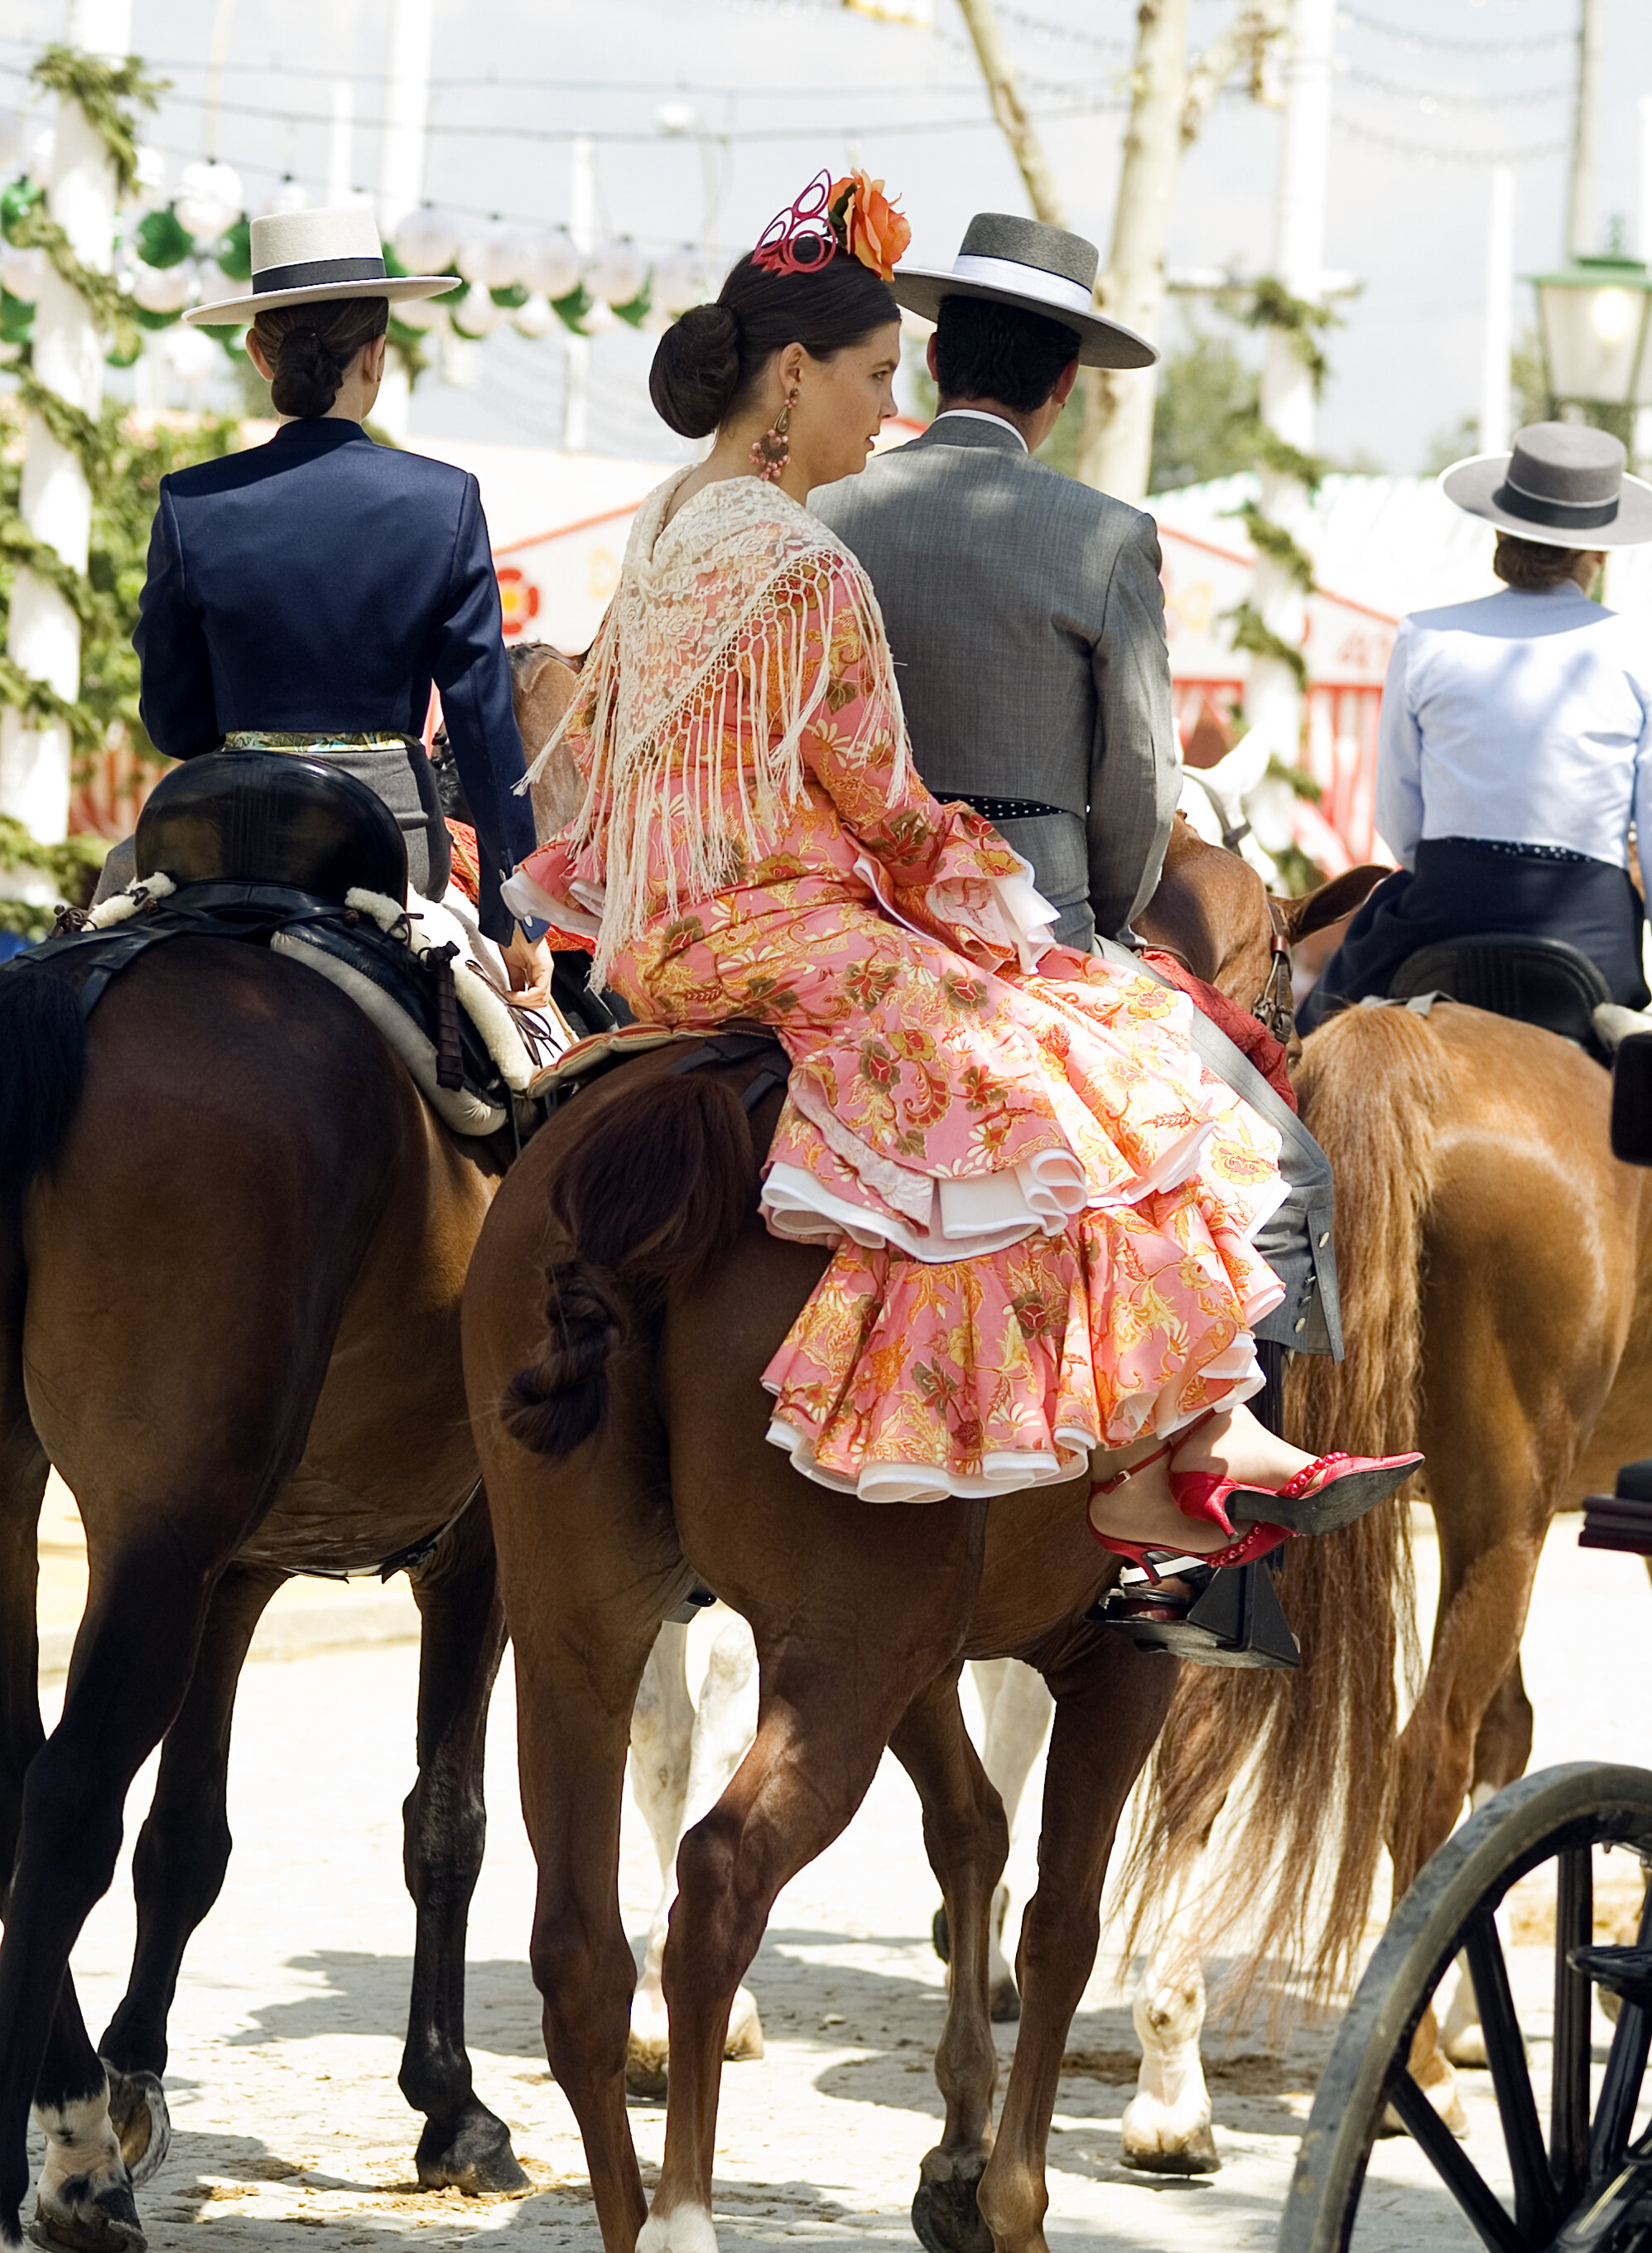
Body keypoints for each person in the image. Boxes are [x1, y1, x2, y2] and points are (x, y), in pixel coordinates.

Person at [508, 169, 1417, 1564]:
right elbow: (905, 807)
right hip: (797, 924)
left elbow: (609, 739)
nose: (888, 410)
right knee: (1129, 1081)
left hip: (652, 932)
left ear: (948, 351)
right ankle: (1186, 1458)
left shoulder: (673, 519)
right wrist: (1016, 924)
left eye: (899, 374)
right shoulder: (834, 561)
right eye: (870, 381)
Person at [131, 202, 548, 996]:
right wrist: (514, 914)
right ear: (378, 357)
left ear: (260, 355)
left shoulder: (192, 502)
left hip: (220, 839)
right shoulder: (445, 503)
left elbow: (173, 723)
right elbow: (485, 732)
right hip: (386, 847)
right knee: (516, 1079)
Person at [812, 210, 1175, 953]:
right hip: (1032, 924)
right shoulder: (1109, 537)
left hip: (837, 908)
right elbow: (1142, 778)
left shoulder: (820, 506)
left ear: (936, 357)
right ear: (1065, 381)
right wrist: (1096, 920)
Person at [1302, 420, 1652, 1032]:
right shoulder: (1638, 645)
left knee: (1308, 1036)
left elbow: (1398, 823)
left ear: (1500, 528)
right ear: (1597, 552)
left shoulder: (1425, 634)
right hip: (1588, 921)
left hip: (1447, 900)